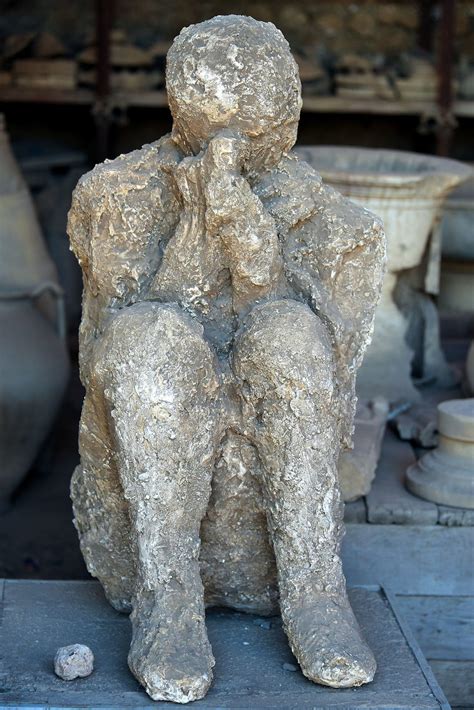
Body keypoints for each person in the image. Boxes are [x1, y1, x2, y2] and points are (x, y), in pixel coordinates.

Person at [69, 15, 385, 703]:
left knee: (289, 334)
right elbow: (103, 360)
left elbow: (335, 368)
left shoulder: (340, 226)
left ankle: (313, 593)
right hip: (161, 406)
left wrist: (258, 264)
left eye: (263, 129)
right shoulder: (116, 195)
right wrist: (192, 236)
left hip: (267, 410)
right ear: (181, 117)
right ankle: (167, 598)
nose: (243, 148)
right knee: (148, 337)